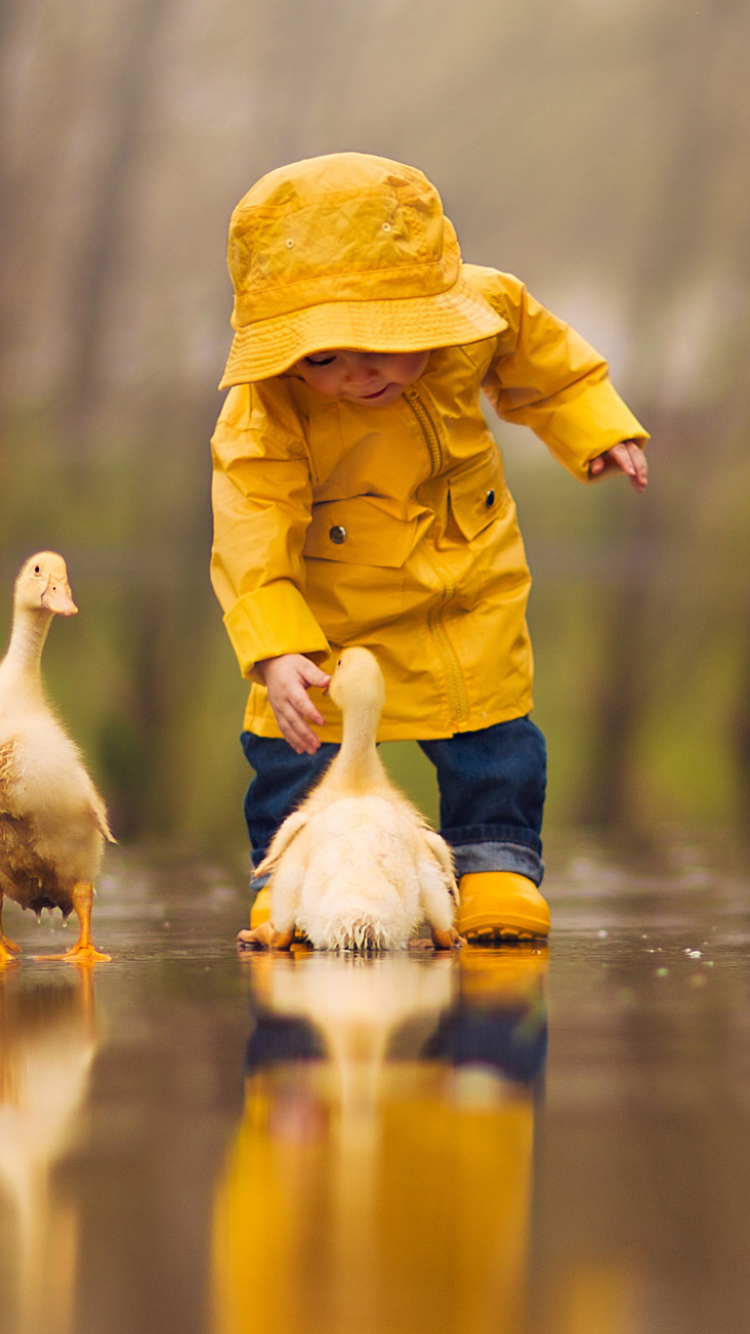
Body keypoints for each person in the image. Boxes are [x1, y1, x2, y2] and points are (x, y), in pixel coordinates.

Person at [210, 152, 648, 944]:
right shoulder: (265, 410)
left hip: (465, 591)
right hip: (330, 611)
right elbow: (251, 526)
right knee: (296, 749)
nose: (358, 374)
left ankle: (495, 868)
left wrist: (598, 428)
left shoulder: (484, 310)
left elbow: (549, 368)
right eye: (323, 357)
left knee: (495, 739)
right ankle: (291, 881)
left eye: (383, 343)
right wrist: (276, 650)